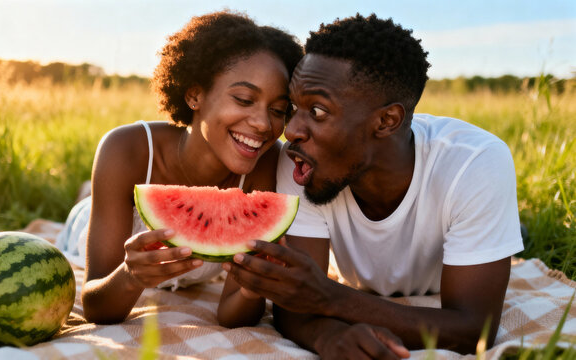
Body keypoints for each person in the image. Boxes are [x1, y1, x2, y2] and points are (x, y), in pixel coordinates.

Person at [222, 13, 524, 358]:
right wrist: (329, 337)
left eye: (318, 111)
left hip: (448, 256)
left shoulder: (475, 162)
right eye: (294, 108)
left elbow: (474, 329)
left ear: (386, 121)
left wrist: (330, 297)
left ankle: (514, 232)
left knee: (513, 240)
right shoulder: (302, 160)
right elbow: (297, 298)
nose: (291, 132)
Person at [55, 11, 303, 324]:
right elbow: (96, 306)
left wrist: (252, 290)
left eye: (278, 110)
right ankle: (87, 197)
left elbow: (231, 315)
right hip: (85, 227)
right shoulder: (126, 150)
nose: (263, 124)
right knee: (84, 210)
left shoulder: (267, 164)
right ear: (194, 95)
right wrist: (131, 277)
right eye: (243, 99)